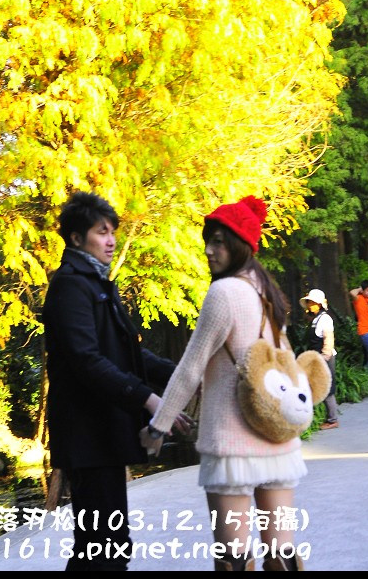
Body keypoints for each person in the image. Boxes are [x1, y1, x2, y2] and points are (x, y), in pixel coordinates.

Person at [140, 196, 307, 572]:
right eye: (208, 242)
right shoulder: (267, 291)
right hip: (277, 436)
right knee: (282, 555)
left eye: (218, 242)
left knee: (234, 558)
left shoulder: (224, 293)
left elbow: (190, 367)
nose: (208, 251)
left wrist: (158, 426)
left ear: (239, 245)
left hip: (233, 444)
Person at [42, 190, 191, 571]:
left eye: (112, 232)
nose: (110, 240)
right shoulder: (71, 286)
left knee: (104, 545)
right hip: (86, 435)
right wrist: (148, 399)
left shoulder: (98, 283)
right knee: (104, 547)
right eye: (101, 232)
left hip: (102, 432)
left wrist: (182, 375)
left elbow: (128, 354)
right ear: (77, 238)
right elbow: (87, 361)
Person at [299, 288, 339, 428]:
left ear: (319, 304)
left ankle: (333, 420)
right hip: (316, 358)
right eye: (309, 302)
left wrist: (324, 357)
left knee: (327, 388)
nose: (309, 304)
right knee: (315, 387)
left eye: (312, 302)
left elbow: (329, 339)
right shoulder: (315, 318)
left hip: (324, 358)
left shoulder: (325, 318)